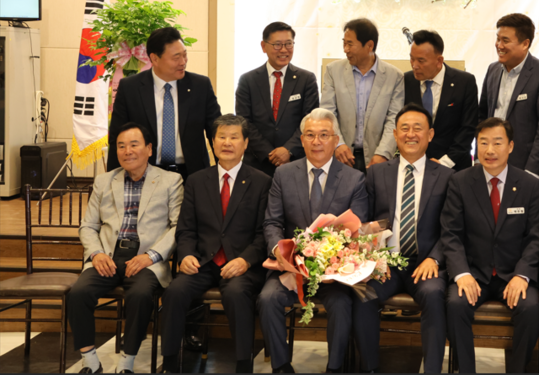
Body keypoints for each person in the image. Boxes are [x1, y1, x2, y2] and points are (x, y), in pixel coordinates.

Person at [259, 108, 369, 373]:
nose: (317, 141)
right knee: (267, 298)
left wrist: (331, 264)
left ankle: (334, 368)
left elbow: (358, 231)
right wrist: (278, 251)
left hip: (333, 273)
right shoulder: (283, 174)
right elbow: (272, 222)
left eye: (324, 135)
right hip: (291, 268)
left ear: (335, 140)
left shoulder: (354, 179)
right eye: (310, 135)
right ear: (302, 139)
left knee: (341, 304)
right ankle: (281, 366)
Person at [159, 114, 271, 374]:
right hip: (203, 262)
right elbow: (186, 228)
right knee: (175, 291)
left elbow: (263, 233)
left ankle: (243, 364)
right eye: (221, 137)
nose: (227, 143)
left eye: (234, 137)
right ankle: (170, 363)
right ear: (212, 142)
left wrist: (245, 260)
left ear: (245, 143)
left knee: (236, 293)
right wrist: (186, 254)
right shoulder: (197, 180)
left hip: (241, 264)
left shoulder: (261, 182)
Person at [69, 123, 183, 374]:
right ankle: (90, 361)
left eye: (134, 145)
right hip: (108, 255)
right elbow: (88, 226)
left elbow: (178, 227)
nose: (127, 151)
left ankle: (126, 362)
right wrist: (96, 253)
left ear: (149, 149)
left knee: (140, 295)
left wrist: (151, 256)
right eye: (121, 146)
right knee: (78, 293)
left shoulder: (170, 180)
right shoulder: (104, 180)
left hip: (147, 259)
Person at [353, 103, 455, 373]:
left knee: (434, 295)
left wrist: (435, 258)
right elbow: (365, 220)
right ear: (395, 134)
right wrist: (374, 257)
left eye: (417, 128)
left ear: (430, 135)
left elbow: (452, 227)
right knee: (362, 294)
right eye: (405, 129)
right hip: (386, 263)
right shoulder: (377, 172)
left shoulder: (446, 177)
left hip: (425, 264)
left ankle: (432, 370)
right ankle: (369, 368)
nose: (411, 134)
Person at [441, 117, 539, 373]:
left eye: (497, 143)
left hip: (513, 273)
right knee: (456, 304)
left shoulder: (529, 184)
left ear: (510, 146)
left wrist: (522, 275)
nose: (489, 150)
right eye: (483, 143)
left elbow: (535, 237)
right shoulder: (460, 181)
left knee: (530, 308)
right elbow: (451, 233)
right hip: (474, 272)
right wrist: (462, 274)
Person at [108, 26, 222, 182]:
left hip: (192, 176)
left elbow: (216, 133)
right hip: (145, 174)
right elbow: (117, 137)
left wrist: (223, 175)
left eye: (185, 55)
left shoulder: (200, 86)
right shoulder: (130, 88)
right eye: (176, 58)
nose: (183, 62)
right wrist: (113, 181)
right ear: (154, 59)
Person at [478, 13, 539, 182]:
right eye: (497, 39)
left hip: (526, 169)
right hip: (492, 165)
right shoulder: (493, 70)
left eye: (505, 40)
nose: (499, 45)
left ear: (525, 44)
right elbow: (482, 117)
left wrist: (531, 173)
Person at [321, 18, 404, 173]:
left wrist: (383, 153)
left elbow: (394, 119)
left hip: (377, 158)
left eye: (350, 44)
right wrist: (337, 144)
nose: (345, 49)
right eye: (344, 43)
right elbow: (327, 112)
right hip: (340, 156)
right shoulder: (333, 71)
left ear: (369, 45)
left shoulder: (394, 76)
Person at [236, 21, 319, 177]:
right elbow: (244, 121)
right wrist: (269, 153)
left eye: (289, 44)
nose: (284, 50)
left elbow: (310, 120)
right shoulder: (248, 80)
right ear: (263, 46)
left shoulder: (306, 79)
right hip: (257, 163)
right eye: (277, 45)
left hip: (295, 162)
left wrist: (288, 150)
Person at [404, 29, 479, 171]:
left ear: (439, 61)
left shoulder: (464, 82)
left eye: (421, 60)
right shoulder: (406, 81)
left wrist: (445, 162)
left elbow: (468, 128)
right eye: (412, 59)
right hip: (414, 165)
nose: (414, 65)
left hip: (454, 166)